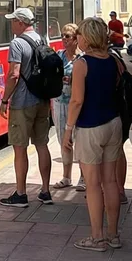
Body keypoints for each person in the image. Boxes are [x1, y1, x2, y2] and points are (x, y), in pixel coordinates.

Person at [63, 17, 125, 251]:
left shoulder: (82, 63)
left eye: (79, 34)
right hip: (114, 123)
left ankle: (97, 237)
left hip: (90, 126)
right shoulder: (113, 60)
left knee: (92, 184)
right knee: (110, 181)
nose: (77, 38)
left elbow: (76, 100)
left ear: (87, 38)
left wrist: (68, 129)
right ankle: (113, 235)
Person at [0, 7, 53, 208]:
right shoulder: (41, 39)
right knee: (42, 144)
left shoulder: (17, 43)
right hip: (42, 100)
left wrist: (5, 100)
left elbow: (14, 74)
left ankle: (21, 194)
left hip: (22, 103)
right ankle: (45, 191)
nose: (11, 24)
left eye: (13, 21)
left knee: (20, 148)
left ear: (21, 23)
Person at [52, 23, 84, 192]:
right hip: (59, 103)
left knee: (79, 140)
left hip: (77, 104)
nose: (64, 39)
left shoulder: (82, 58)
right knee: (63, 141)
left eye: (68, 36)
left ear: (76, 39)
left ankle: (83, 177)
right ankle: (66, 177)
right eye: (62, 36)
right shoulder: (58, 56)